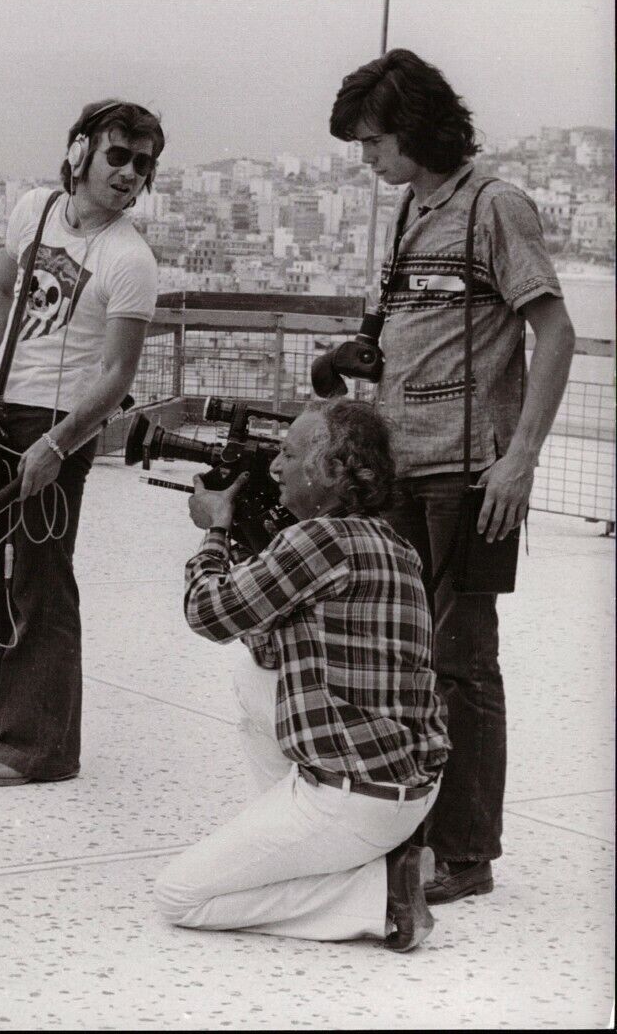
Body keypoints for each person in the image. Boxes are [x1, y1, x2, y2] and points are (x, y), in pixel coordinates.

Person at [330, 49, 576, 904]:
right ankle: (414, 830)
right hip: (401, 469)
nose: (367, 161)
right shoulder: (410, 210)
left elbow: (556, 332)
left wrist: (520, 457)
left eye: (374, 142)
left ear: (417, 128)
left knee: (463, 661)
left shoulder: (493, 207)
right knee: (404, 659)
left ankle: (466, 853)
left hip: (469, 476)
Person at [154, 400, 450, 952]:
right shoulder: (395, 545)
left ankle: (375, 893)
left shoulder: (317, 541)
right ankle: (306, 842)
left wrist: (216, 532)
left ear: (331, 471)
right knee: (251, 679)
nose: (274, 467)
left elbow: (207, 614)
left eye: (288, 454)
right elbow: (269, 652)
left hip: (357, 799)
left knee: (181, 897)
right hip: (408, 790)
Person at [0, 100, 163, 786]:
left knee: (39, 577)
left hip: (56, 428)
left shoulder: (130, 259)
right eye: (117, 156)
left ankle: (40, 747)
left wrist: (61, 445)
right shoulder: (35, 211)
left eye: (142, 164)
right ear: (78, 153)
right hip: (2, 412)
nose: (129, 174)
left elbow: (117, 375)